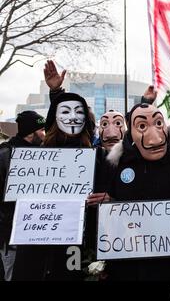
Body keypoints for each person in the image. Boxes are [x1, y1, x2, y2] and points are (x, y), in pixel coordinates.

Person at [12, 90, 110, 280]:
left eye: (79, 112)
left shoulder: (100, 157)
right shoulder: (33, 158)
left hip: (81, 252)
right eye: (65, 112)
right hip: (36, 251)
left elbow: (113, 201)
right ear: (54, 120)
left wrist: (110, 200)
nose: (73, 118)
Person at [104, 103, 170, 280]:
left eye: (159, 123)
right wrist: (108, 203)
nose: (155, 139)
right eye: (142, 126)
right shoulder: (116, 165)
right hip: (129, 266)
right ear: (131, 134)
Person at [0, 111, 46, 281]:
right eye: (41, 130)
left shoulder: (44, 154)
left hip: (36, 235)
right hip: (11, 238)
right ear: (30, 132)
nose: (44, 134)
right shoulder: (5, 155)